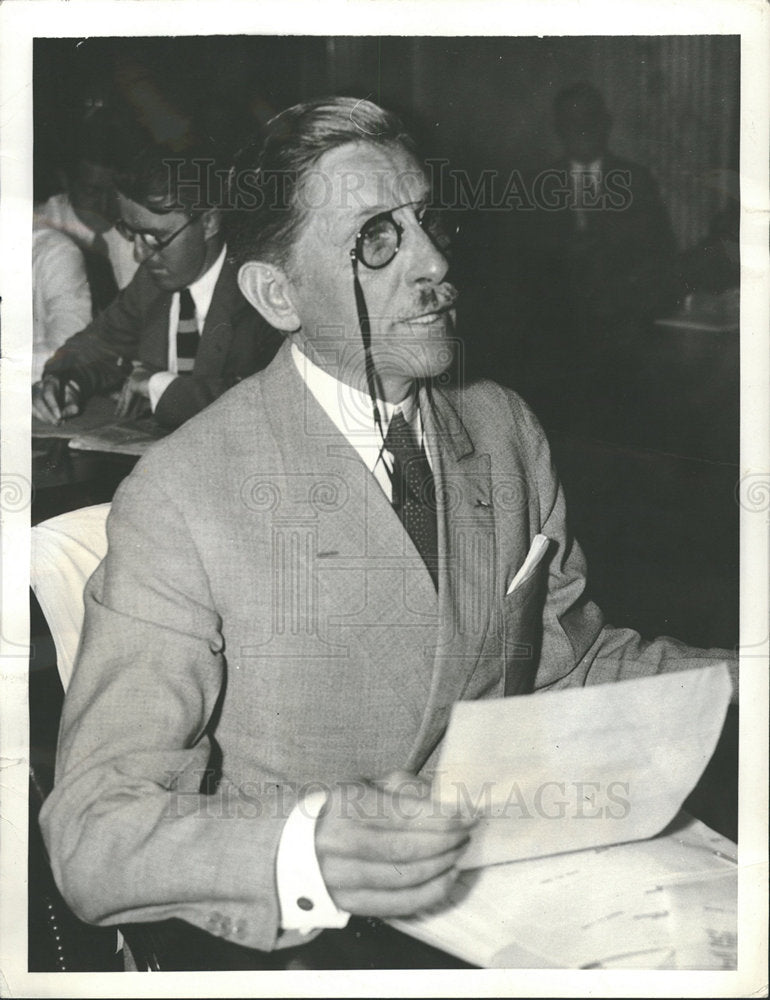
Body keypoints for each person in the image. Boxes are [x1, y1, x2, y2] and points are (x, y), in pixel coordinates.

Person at [40, 98, 736, 965]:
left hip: (522, 896)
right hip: (320, 944)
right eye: (377, 240)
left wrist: (740, 680)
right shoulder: (187, 494)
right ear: (277, 294)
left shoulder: (504, 431)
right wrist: (310, 847)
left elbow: (573, 662)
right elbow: (94, 828)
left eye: (427, 221)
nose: (437, 262)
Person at [31, 135, 282, 430]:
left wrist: (159, 387)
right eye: (130, 233)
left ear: (210, 223)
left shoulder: (261, 290)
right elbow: (94, 345)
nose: (139, 254)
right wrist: (63, 382)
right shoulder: (150, 283)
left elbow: (271, 403)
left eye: (155, 238)